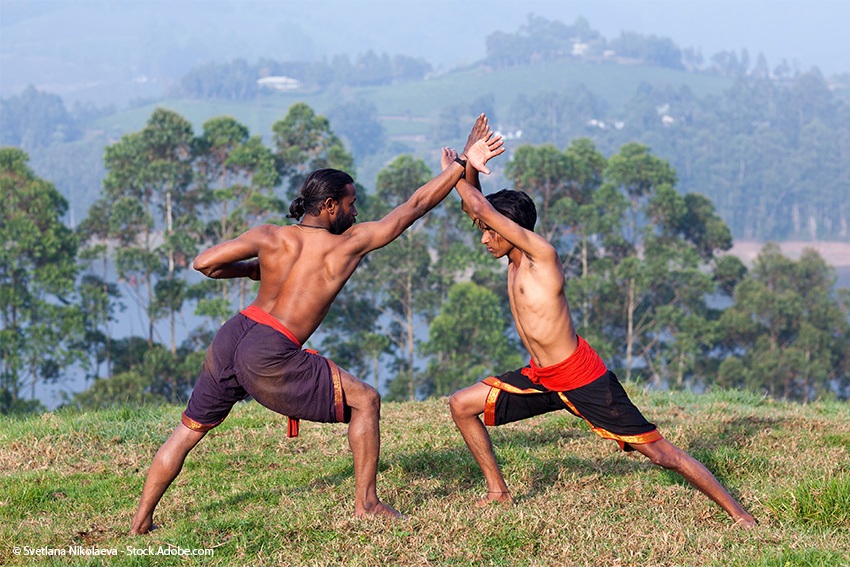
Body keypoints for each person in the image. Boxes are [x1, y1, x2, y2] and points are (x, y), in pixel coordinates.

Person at [129, 115, 505, 535]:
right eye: (351, 203)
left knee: (186, 431)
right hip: (269, 349)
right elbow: (412, 208)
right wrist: (460, 166)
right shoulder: (347, 244)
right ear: (329, 207)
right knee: (367, 400)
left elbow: (205, 264)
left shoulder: (272, 236)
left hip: (233, 334)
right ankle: (367, 504)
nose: (355, 210)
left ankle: (140, 523)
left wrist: (259, 271)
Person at [442, 147, 757, 528]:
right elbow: (477, 210)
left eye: (491, 232)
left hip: (582, 378)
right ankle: (498, 493)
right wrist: (466, 173)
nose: (484, 239)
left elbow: (483, 210)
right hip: (540, 378)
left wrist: (460, 171)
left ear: (514, 229)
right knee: (461, 405)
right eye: (484, 231)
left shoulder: (542, 256)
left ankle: (740, 516)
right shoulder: (511, 261)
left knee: (660, 454)